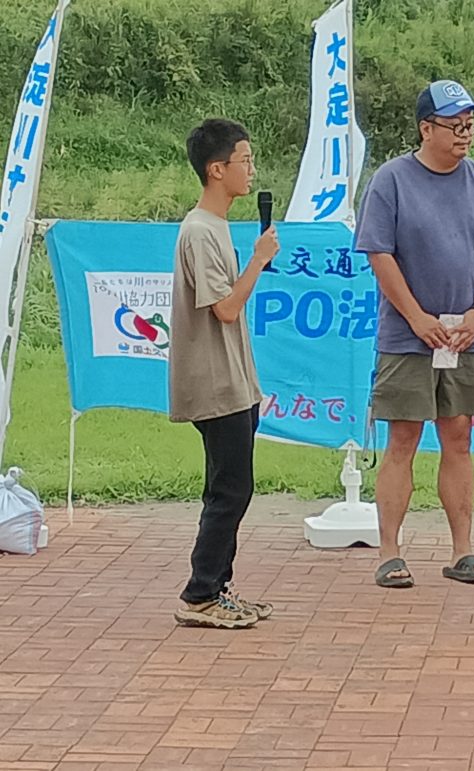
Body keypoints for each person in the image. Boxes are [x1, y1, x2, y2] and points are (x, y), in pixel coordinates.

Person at [354, 80, 474, 589]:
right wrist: (417, 318)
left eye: (470, 124)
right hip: (407, 337)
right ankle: (390, 553)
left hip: (465, 335)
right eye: (454, 125)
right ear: (426, 128)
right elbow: (379, 254)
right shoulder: (392, 180)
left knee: (459, 436)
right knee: (403, 437)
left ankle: (463, 551)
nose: (465, 134)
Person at [169, 119, 280, 628]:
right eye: (245, 161)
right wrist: (258, 261)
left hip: (235, 381)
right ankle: (201, 594)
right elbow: (227, 310)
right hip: (215, 383)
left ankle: (219, 588)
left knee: (231, 488)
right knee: (229, 491)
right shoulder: (199, 231)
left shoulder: (215, 227)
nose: (251, 170)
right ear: (217, 169)